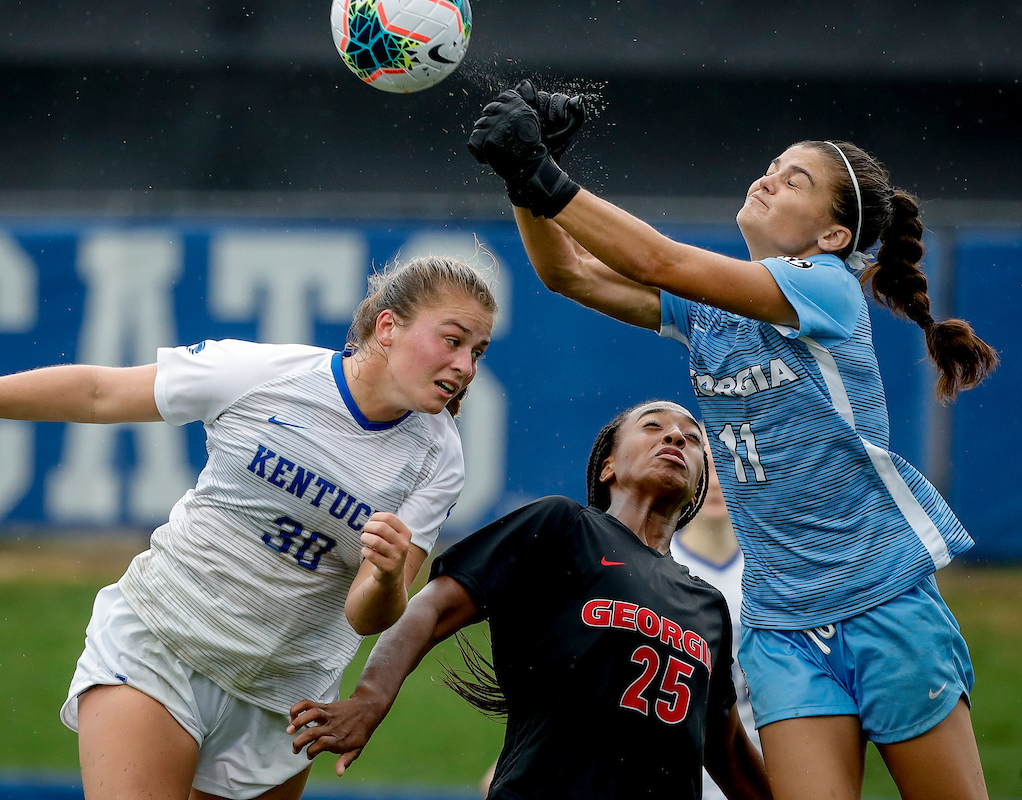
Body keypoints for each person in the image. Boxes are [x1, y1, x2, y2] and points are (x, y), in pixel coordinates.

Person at [466, 82, 997, 800]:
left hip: (883, 598)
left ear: (834, 236)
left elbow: (660, 261)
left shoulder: (830, 286)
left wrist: (544, 174)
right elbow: (567, 272)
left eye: (796, 179)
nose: (770, 176)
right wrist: (524, 182)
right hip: (780, 624)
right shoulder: (712, 309)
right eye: (773, 164)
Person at [0, 255, 497, 800]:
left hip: (284, 698)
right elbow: (98, 394)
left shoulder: (438, 458)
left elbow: (369, 616)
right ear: (387, 327)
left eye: (478, 350)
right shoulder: (265, 374)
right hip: (164, 643)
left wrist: (386, 575)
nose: (466, 364)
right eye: (453, 340)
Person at [287, 401, 772, 800]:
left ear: (696, 488)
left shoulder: (708, 605)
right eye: (654, 427)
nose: (675, 439)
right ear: (608, 466)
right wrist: (370, 700)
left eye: (689, 440)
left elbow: (726, 750)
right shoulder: (564, 529)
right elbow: (430, 608)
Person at [670, 451, 759, 800]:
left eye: (728, 464)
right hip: (671, 777)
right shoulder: (651, 569)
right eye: (705, 466)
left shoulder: (778, 572)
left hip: (759, 772)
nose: (717, 480)